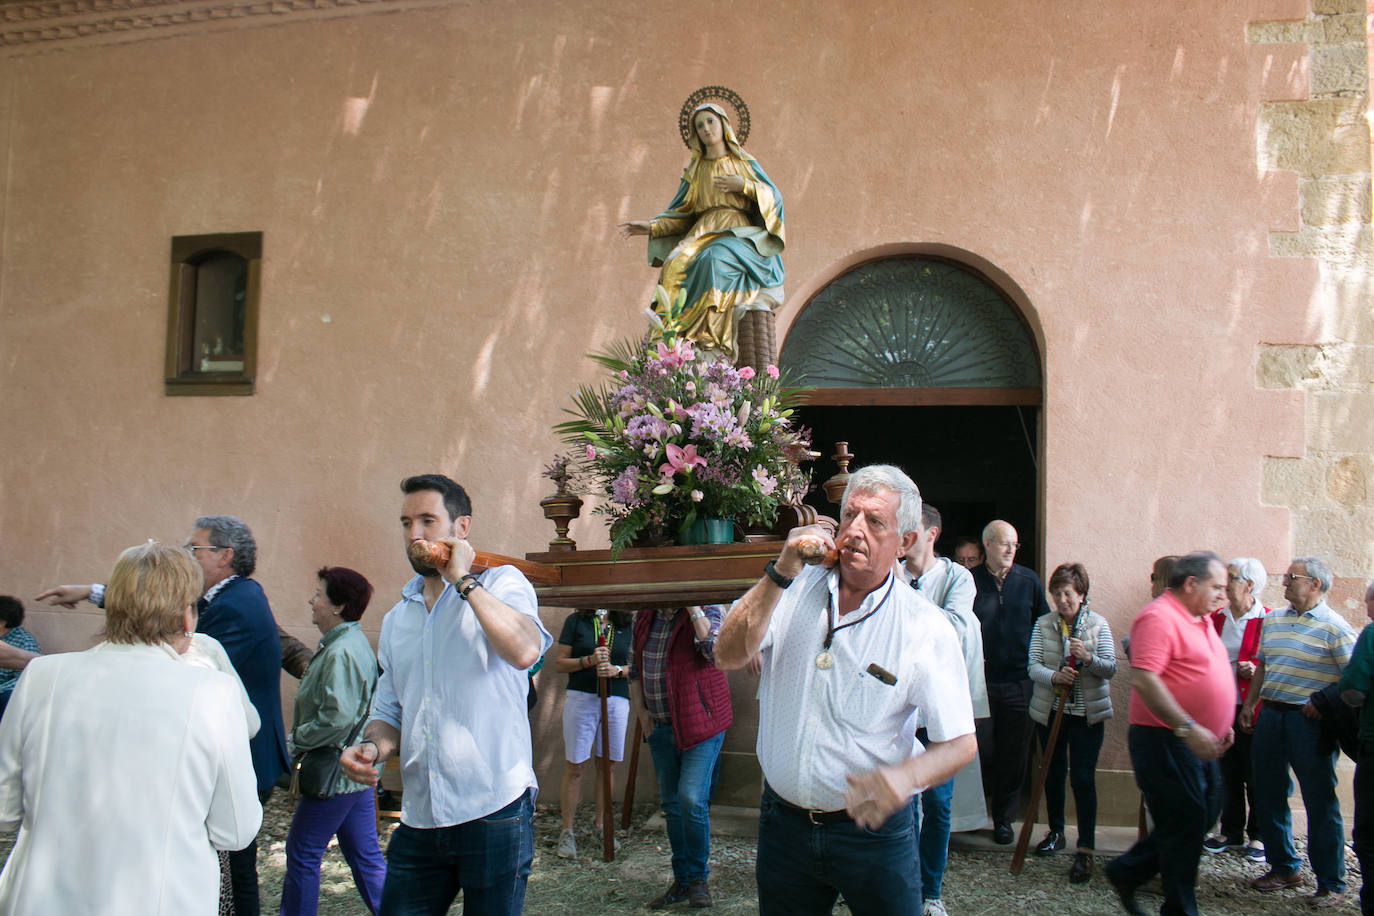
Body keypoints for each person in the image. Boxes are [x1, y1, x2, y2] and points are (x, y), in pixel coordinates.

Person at [716, 464, 977, 916]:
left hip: (874, 838)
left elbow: (959, 742)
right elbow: (728, 654)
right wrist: (780, 570)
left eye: (875, 522)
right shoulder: (794, 586)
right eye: (851, 515)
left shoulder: (925, 627)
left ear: (906, 542)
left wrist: (903, 779)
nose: (856, 530)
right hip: (784, 829)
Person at [34, 514, 291, 916]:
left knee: (236, 874)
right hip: (229, 759)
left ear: (225, 556)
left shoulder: (229, 613)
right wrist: (93, 592)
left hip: (237, 760)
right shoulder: (233, 597)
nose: (188, 555)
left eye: (194, 548)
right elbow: (153, 609)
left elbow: (170, 670)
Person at [339, 474, 551, 916]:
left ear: (462, 528)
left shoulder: (502, 584)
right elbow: (389, 709)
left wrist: (464, 582)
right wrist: (372, 746)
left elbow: (525, 650)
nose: (414, 535)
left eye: (427, 521)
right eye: (405, 522)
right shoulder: (399, 619)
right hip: (420, 818)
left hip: (494, 810)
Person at [1103, 551, 1234, 916]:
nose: (1223, 594)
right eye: (1217, 587)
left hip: (1197, 738)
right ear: (1190, 584)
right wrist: (1187, 727)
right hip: (1165, 738)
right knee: (1186, 820)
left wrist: (1224, 724)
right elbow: (1146, 680)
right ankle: (1178, 908)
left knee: (1202, 815)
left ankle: (1127, 871)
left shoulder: (1200, 618)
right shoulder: (1159, 616)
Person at [619, 102, 785, 359]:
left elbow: (773, 198)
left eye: (710, 122)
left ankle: (713, 340)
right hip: (701, 231)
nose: (706, 129)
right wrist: (651, 227)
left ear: (723, 124)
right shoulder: (696, 171)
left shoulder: (743, 163)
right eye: (699, 125)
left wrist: (744, 186)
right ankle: (673, 341)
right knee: (674, 263)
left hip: (738, 233)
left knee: (714, 258)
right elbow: (682, 215)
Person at [1240, 556, 1354, 906]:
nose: (1285, 581)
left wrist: (1324, 702)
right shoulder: (1272, 620)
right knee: (1268, 794)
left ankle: (1331, 882)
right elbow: (1263, 666)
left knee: (1320, 800)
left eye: (1293, 577)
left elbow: (1352, 678)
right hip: (1271, 716)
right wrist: (1250, 704)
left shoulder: (1336, 628)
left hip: (1311, 723)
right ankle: (1284, 866)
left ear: (1315, 584)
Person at [280, 567, 386, 916]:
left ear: (339, 606)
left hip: (336, 770)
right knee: (365, 856)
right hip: (350, 771)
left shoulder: (342, 651)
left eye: (319, 594)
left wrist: (298, 737)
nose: (311, 600)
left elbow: (337, 717)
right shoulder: (346, 644)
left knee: (303, 851)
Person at [902, 502, 987, 916]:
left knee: (937, 804)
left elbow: (953, 629)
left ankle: (929, 892)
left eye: (910, 526)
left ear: (930, 533)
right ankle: (883, 877)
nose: (901, 532)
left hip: (939, 712)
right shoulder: (890, 575)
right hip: (897, 709)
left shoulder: (958, 577)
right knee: (895, 800)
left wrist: (902, 612)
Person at [628, 604, 731, 909]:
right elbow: (635, 669)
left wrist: (693, 605)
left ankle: (699, 879)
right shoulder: (645, 615)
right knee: (672, 805)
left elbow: (715, 653)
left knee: (690, 799)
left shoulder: (711, 610)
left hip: (702, 725)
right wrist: (641, 713)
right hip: (659, 726)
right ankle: (682, 881)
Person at [1027, 562, 1116, 885]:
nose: (1062, 600)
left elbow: (1110, 669)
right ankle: (1056, 831)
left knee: (1082, 778)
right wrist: (1054, 676)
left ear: (1081, 594)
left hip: (1086, 716)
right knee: (1052, 771)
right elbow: (1033, 665)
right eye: (1057, 593)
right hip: (1052, 711)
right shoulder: (1044, 624)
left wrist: (1088, 659)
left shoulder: (1097, 625)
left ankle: (1087, 847)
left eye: (1068, 593)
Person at [970, 519, 1050, 844]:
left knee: (1014, 753)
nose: (1010, 550)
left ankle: (1004, 819)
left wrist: (1039, 666)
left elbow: (1043, 626)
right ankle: (977, 811)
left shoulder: (1028, 580)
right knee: (982, 750)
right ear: (987, 544)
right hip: (981, 682)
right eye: (1004, 543)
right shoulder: (970, 581)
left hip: (1020, 681)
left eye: (1015, 544)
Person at [1202, 557, 1269, 861]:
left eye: (1231, 578)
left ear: (1249, 584)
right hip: (1222, 706)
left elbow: (1275, 662)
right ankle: (1230, 831)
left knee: (1256, 772)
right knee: (1227, 769)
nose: (1225, 583)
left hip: (1253, 707)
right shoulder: (1217, 618)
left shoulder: (1269, 619)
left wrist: (1254, 669)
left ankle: (1259, 834)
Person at [553, 608, 633, 859]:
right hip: (582, 696)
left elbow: (640, 665)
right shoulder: (577, 620)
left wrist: (617, 671)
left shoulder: (627, 623)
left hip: (616, 698)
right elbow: (559, 662)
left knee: (607, 765)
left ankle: (601, 825)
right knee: (575, 765)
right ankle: (567, 831)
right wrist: (587, 661)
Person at [1337, 579, 1374, 915]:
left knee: (1369, 830)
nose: (1365, 609)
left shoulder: (1372, 635)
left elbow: (1352, 688)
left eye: (1368, 602)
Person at [0, 598, 38, 718]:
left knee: (9, 697)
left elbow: (25, 678)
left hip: (3, 694)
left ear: (2, 622)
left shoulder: (24, 642)